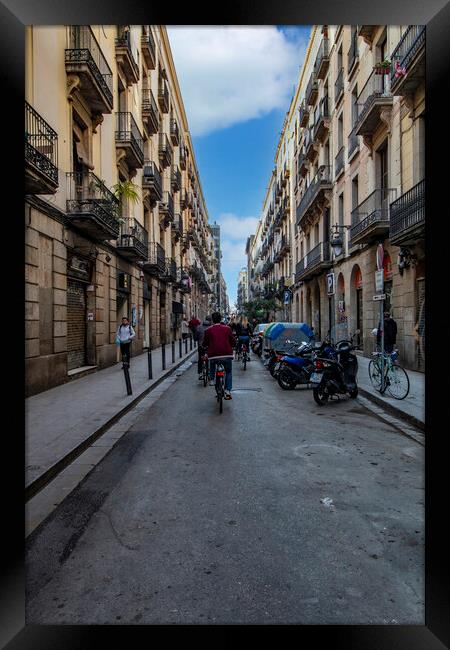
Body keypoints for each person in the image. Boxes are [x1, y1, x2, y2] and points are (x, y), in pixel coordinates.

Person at [203, 312, 236, 399]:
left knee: (212, 362)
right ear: (221, 319)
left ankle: (212, 379)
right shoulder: (227, 329)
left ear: (212, 320)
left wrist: (204, 346)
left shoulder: (208, 330)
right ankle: (228, 390)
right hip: (227, 355)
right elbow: (233, 341)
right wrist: (233, 345)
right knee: (228, 372)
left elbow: (205, 342)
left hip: (214, 355)